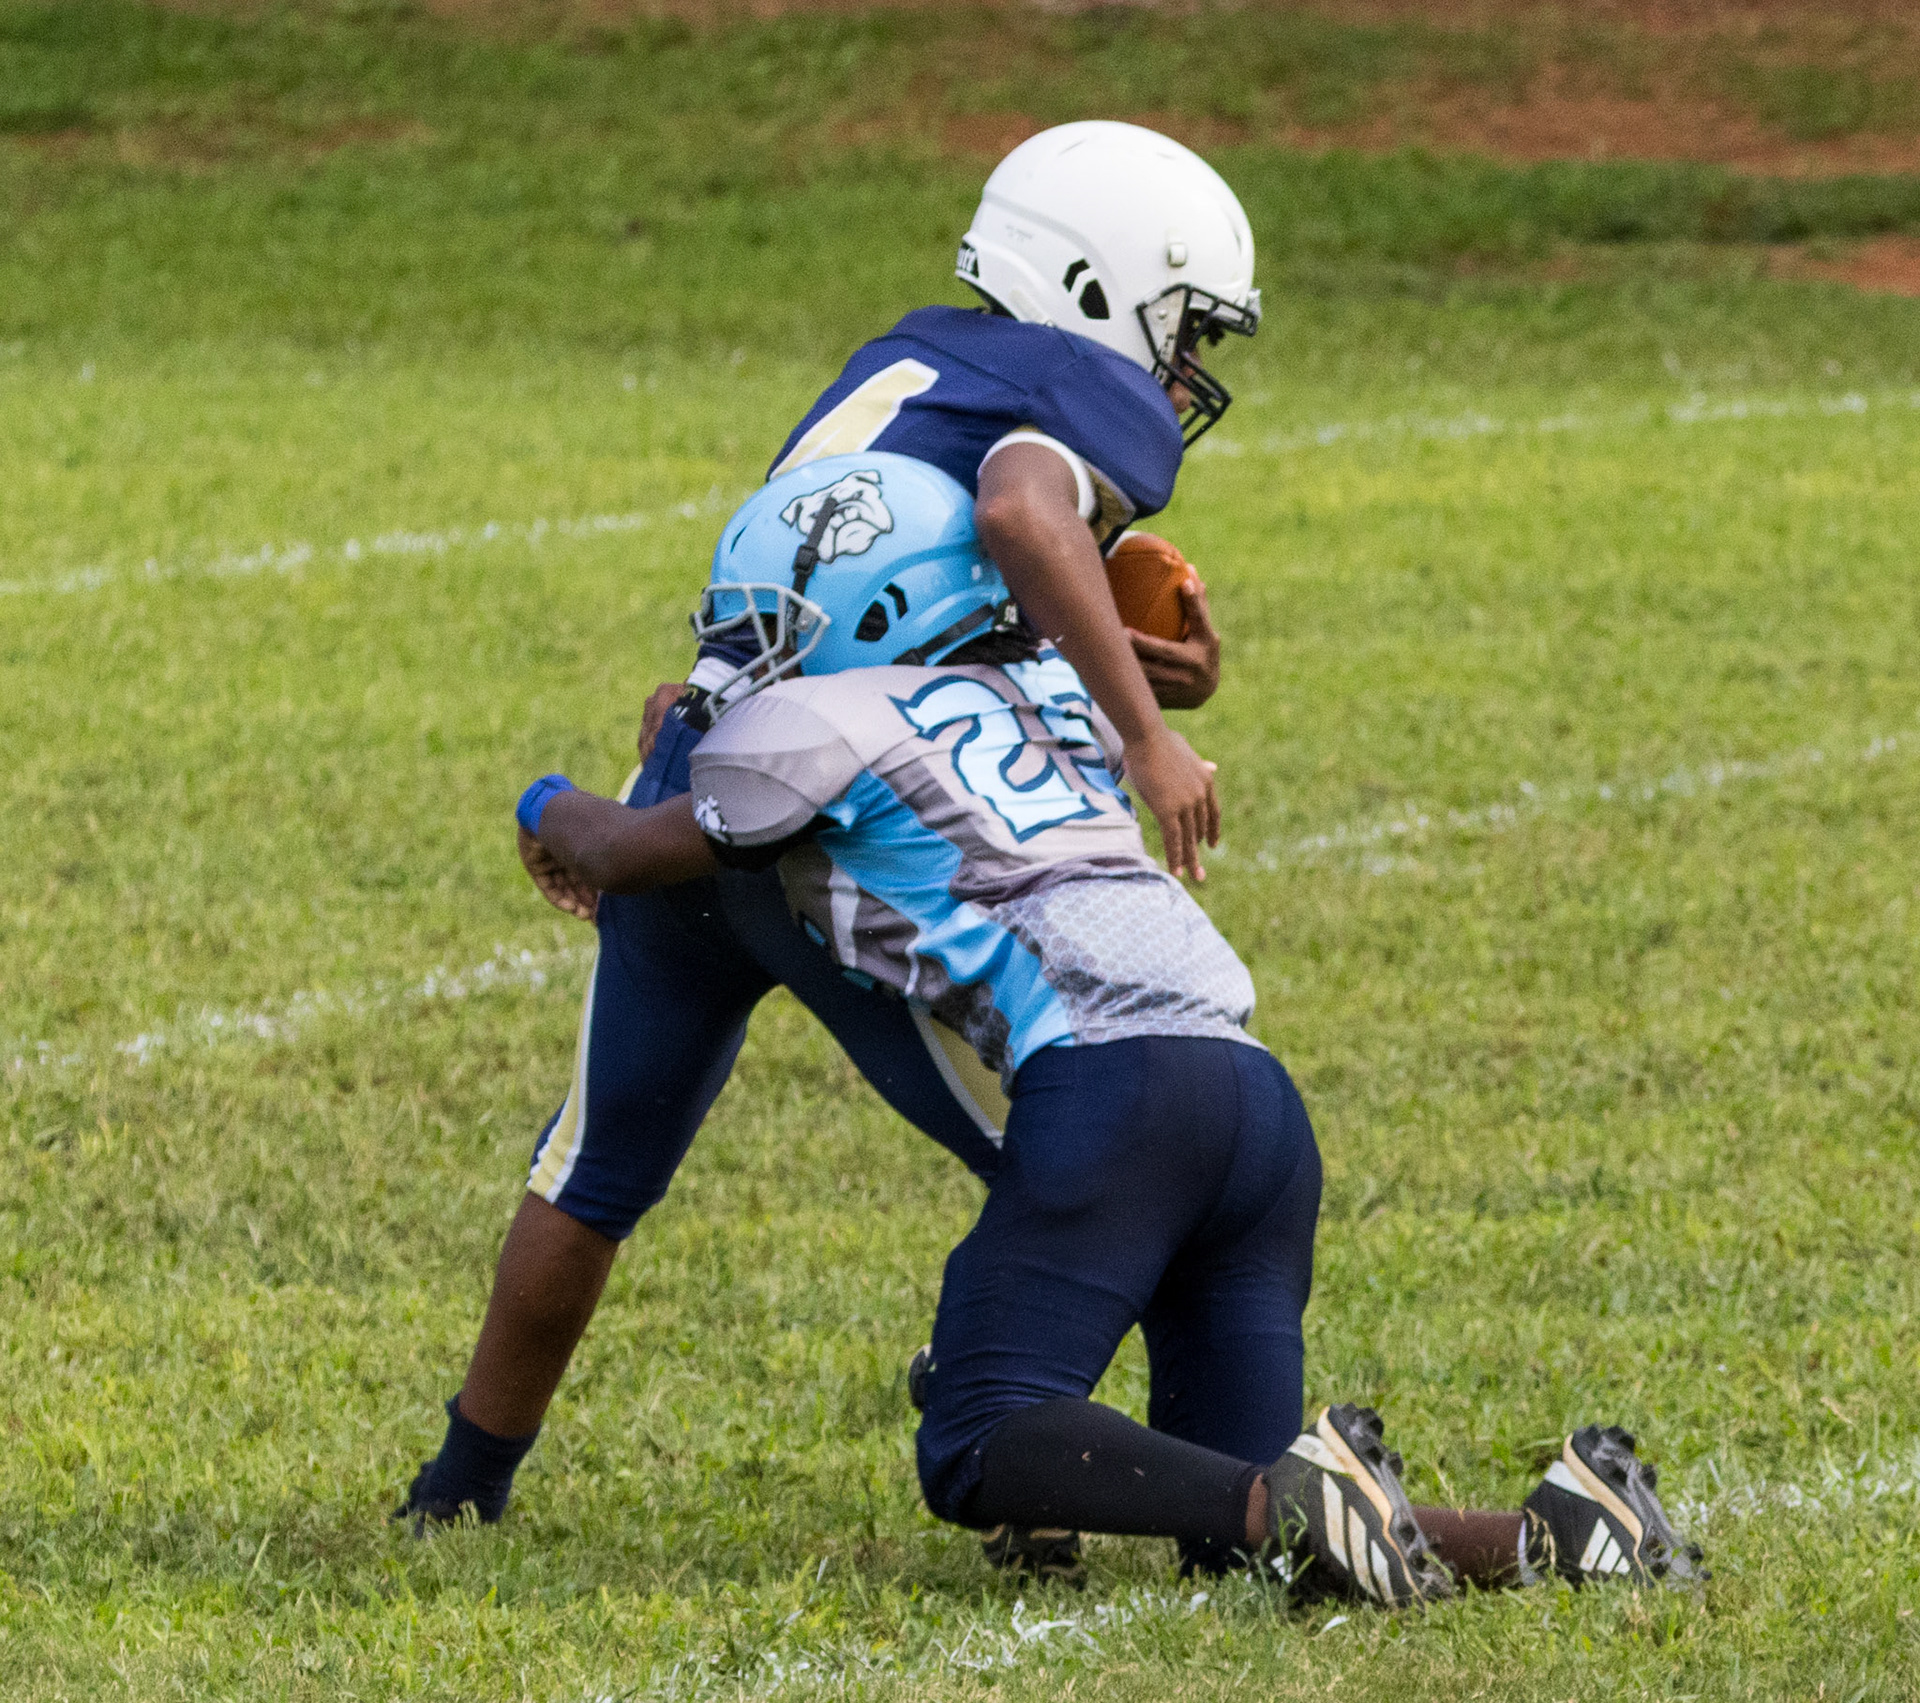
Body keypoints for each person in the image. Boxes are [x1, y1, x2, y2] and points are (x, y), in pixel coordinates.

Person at [500, 455, 1705, 1600]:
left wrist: (543, 800)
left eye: (770, 622)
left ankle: (1237, 1476)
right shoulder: (1054, 688)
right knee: (1240, 1524)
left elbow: (621, 849)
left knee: (975, 1435)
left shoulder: (817, 721)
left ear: (879, 608)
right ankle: (1555, 1532)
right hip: (1257, 1107)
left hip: (1114, 1091)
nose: (741, 653)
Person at [400, 121, 1269, 1539]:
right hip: (844, 828)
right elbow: (1019, 513)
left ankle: (458, 1488)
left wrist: (1117, 654)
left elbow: (832, 595)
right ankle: (1016, 1420)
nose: (1184, 371)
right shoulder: (1073, 382)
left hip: (700, 773)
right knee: (1077, 1149)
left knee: (592, 1165)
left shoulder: (903, 363)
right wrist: (1147, 729)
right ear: (1100, 282)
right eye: (1185, 327)